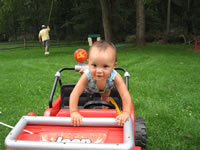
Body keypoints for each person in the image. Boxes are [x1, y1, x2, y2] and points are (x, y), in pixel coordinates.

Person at [69, 40, 131, 126]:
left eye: (105, 66)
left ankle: (104, 111)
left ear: (114, 66)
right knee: (86, 88)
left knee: (105, 97)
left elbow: (125, 94)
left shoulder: (115, 76)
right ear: (89, 62)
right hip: (89, 87)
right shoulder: (87, 76)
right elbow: (75, 93)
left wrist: (126, 113)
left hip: (106, 87)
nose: (99, 71)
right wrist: (74, 112)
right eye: (94, 65)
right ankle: (86, 69)